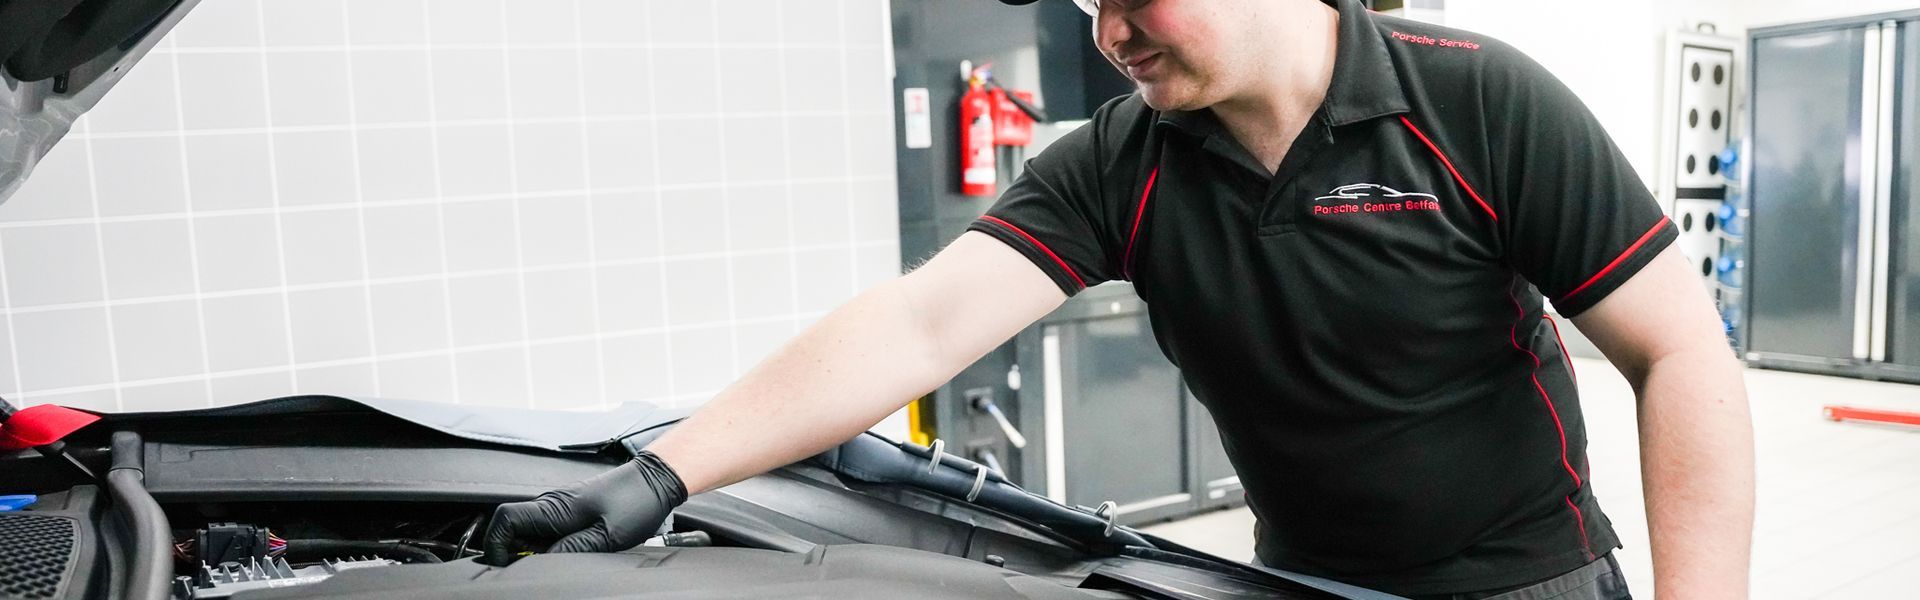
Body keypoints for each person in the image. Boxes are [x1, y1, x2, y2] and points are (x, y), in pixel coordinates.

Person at [484, 1, 1755, 598]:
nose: (1106, 30)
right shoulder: (1121, 163)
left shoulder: (1475, 102)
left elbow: (1680, 354)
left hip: (1522, 587)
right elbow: (919, 324)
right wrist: (663, 471)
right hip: (1300, 586)